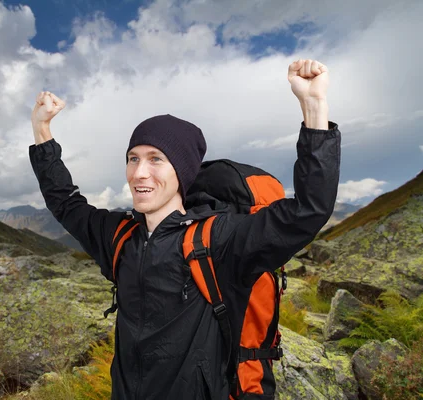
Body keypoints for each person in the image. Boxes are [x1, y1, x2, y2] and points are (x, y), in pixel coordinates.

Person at [29, 59, 340, 399]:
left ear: (182, 172)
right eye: (133, 158)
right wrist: (42, 131)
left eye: (155, 159)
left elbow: (308, 211)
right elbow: (65, 202)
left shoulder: (220, 241)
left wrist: (313, 107)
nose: (139, 173)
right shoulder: (119, 237)